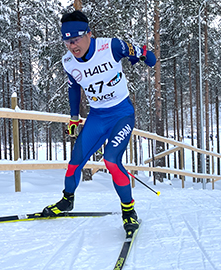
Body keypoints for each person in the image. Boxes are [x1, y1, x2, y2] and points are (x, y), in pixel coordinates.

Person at [42, 10, 156, 234]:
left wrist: (144, 55)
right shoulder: (68, 61)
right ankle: (67, 200)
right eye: (67, 41)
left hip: (121, 114)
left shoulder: (110, 46)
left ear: (89, 35)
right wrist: (74, 117)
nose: (72, 46)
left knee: (111, 161)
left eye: (75, 39)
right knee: (75, 161)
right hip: (96, 116)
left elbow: (144, 54)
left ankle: (128, 212)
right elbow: (74, 87)